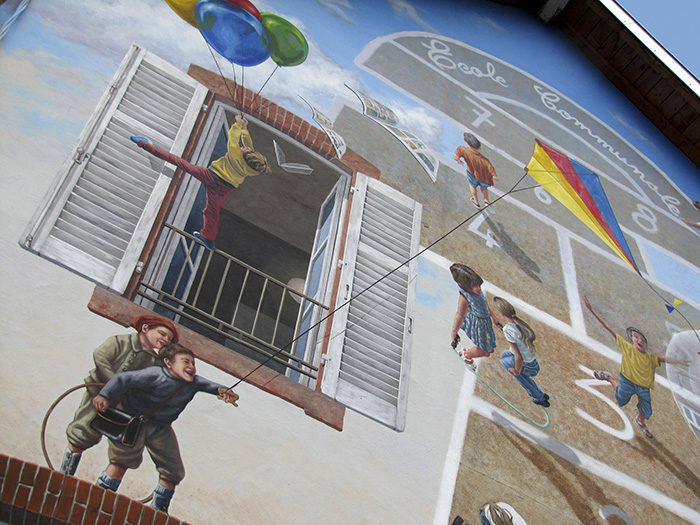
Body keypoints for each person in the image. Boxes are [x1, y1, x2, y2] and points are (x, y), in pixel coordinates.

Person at [91, 343, 239, 513]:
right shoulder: (154, 374)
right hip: (133, 422)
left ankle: (158, 510)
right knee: (121, 461)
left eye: (193, 363)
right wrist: (104, 395)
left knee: (173, 471)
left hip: (161, 428)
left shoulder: (195, 382)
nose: (191, 367)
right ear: (168, 363)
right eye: (185, 362)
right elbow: (122, 379)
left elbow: (215, 388)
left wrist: (226, 393)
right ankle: (99, 496)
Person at [59, 315, 179, 476]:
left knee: (124, 449)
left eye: (169, 339)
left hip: (124, 406)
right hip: (98, 394)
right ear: (145, 328)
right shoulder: (120, 341)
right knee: (82, 433)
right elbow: (101, 356)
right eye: (162, 334)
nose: (165, 340)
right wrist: (113, 383)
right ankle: (64, 475)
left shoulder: (154, 361)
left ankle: (106, 484)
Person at [130, 114, 270, 251]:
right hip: (225, 188)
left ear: (245, 155)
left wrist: (238, 125)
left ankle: (144, 144)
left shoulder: (236, 154)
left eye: (245, 150)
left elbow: (233, 138)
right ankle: (208, 239)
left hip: (211, 176)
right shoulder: (254, 169)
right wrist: (245, 129)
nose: (245, 147)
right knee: (212, 211)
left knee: (180, 162)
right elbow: (248, 146)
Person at [584, 295, 689, 439]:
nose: (640, 340)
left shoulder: (651, 358)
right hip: (627, 380)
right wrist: (592, 311)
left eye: (643, 339)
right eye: (636, 337)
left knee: (646, 409)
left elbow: (665, 359)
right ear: (632, 340)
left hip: (643, 386)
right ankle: (609, 378)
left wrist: (681, 362)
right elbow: (608, 328)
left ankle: (640, 421)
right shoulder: (627, 347)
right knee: (621, 399)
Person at [492, 297, 550, 407]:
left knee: (507, 365)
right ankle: (539, 393)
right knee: (504, 355)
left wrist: (516, 371)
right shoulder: (521, 325)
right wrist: (502, 328)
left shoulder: (507, 330)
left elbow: (518, 356)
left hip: (528, 366)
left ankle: (538, 396)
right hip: (533, 362)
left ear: (502, 314)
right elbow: (517, 338)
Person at [450, 263, 498, 368]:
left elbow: (484, 304)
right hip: (480, 325)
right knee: (485, 352)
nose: (479, 289)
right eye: (475, 286)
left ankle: (468, 352)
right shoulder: (465, 297)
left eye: (479, 285)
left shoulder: (477, 292)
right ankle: (466, 355)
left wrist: (494, 317)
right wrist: (454, 332)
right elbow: (459, 315)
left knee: (489, 350)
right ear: (466, 286)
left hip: (486, 322)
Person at [454, 132, 499, 209]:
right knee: (484, 188)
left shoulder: (463, 150)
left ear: (465, 140)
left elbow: (456, 156)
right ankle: (486, 200)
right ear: (479, 147)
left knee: (472, 186)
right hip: (483, 177)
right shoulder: (483, 159)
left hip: (471, 173)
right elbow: (490, 167)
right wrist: (494, 175)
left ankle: (476, 201)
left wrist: (458, 160)